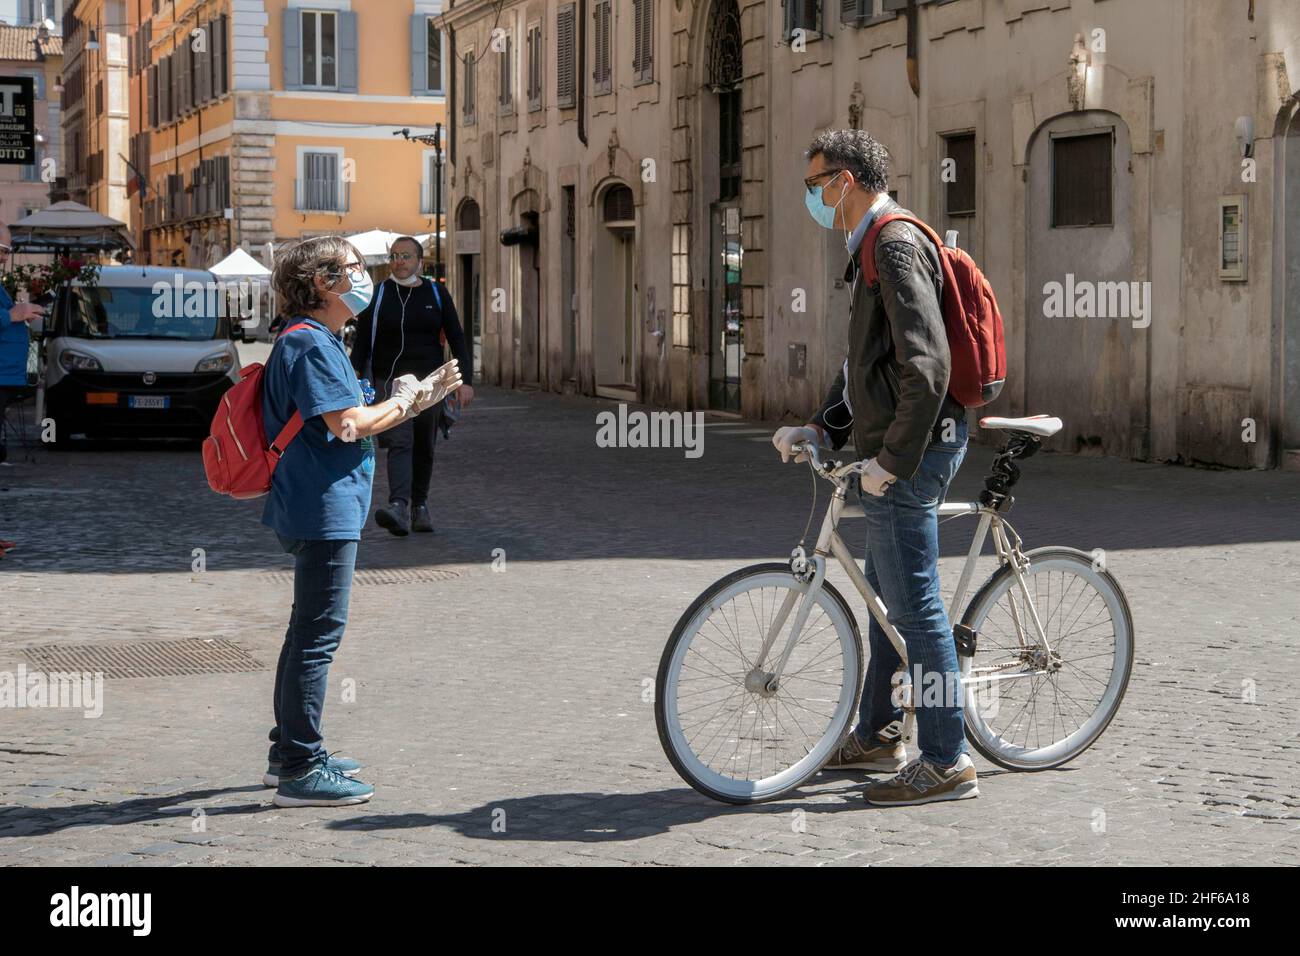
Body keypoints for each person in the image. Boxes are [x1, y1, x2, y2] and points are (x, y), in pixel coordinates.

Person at [772, 129, 976, 807]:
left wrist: (893, 461)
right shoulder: (868, 246)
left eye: (815, 183)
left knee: (916, 606)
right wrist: (819, 426)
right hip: (893, 444)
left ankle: (946, 759)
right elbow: (864, 369)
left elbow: (928, 363)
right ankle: (882, 731)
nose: (811, 196)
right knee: (886, 599)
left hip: (915, 448)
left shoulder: (891, 243)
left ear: (848, 180)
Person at [261, 236, 462, 807]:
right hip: (321, 504)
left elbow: (342, 410)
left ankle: (288, 752)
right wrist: (409, 403)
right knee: (317, 637)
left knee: (305, 630)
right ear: (324, 283)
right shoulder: (312, 345)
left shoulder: (313, 338)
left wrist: (403, 397)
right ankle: (301, 765)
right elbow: (347, 424)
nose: (365, 277)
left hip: (314, 498)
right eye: (354, 268)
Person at [349, 236, 473, 536]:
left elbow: (457, 336)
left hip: (431, 385)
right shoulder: (378, 296)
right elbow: (363, 341)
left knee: (424, 445)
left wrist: (465, 381)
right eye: (394, 256)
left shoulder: (436, 292)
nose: (399, 261)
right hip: (390, 384)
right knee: (399, 441)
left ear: (420, 261)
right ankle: (399, 506)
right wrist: (354, 377)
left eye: (406, 256)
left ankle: (420, 506)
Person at [0, 241, 45, 468]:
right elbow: (6, 317)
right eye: (3, 250)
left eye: (9, 251)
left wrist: (21, 314)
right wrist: (13, 316)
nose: (6, 257)